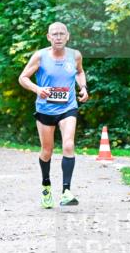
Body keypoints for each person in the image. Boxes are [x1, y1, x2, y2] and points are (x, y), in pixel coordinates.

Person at [18, 21, 89, 208]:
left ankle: (66, 191)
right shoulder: (40, 56)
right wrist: (37, 89)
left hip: (68, 107)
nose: (58, 37)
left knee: (68, 144)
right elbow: (23, 78)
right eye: (54, 34)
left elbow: (80, 72)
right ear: (49, 37)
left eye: (61, 34)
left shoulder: (75, 55)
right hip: (45, 109)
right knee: (47, 151)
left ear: (68, 36)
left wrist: (83, 87)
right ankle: (46, 186)